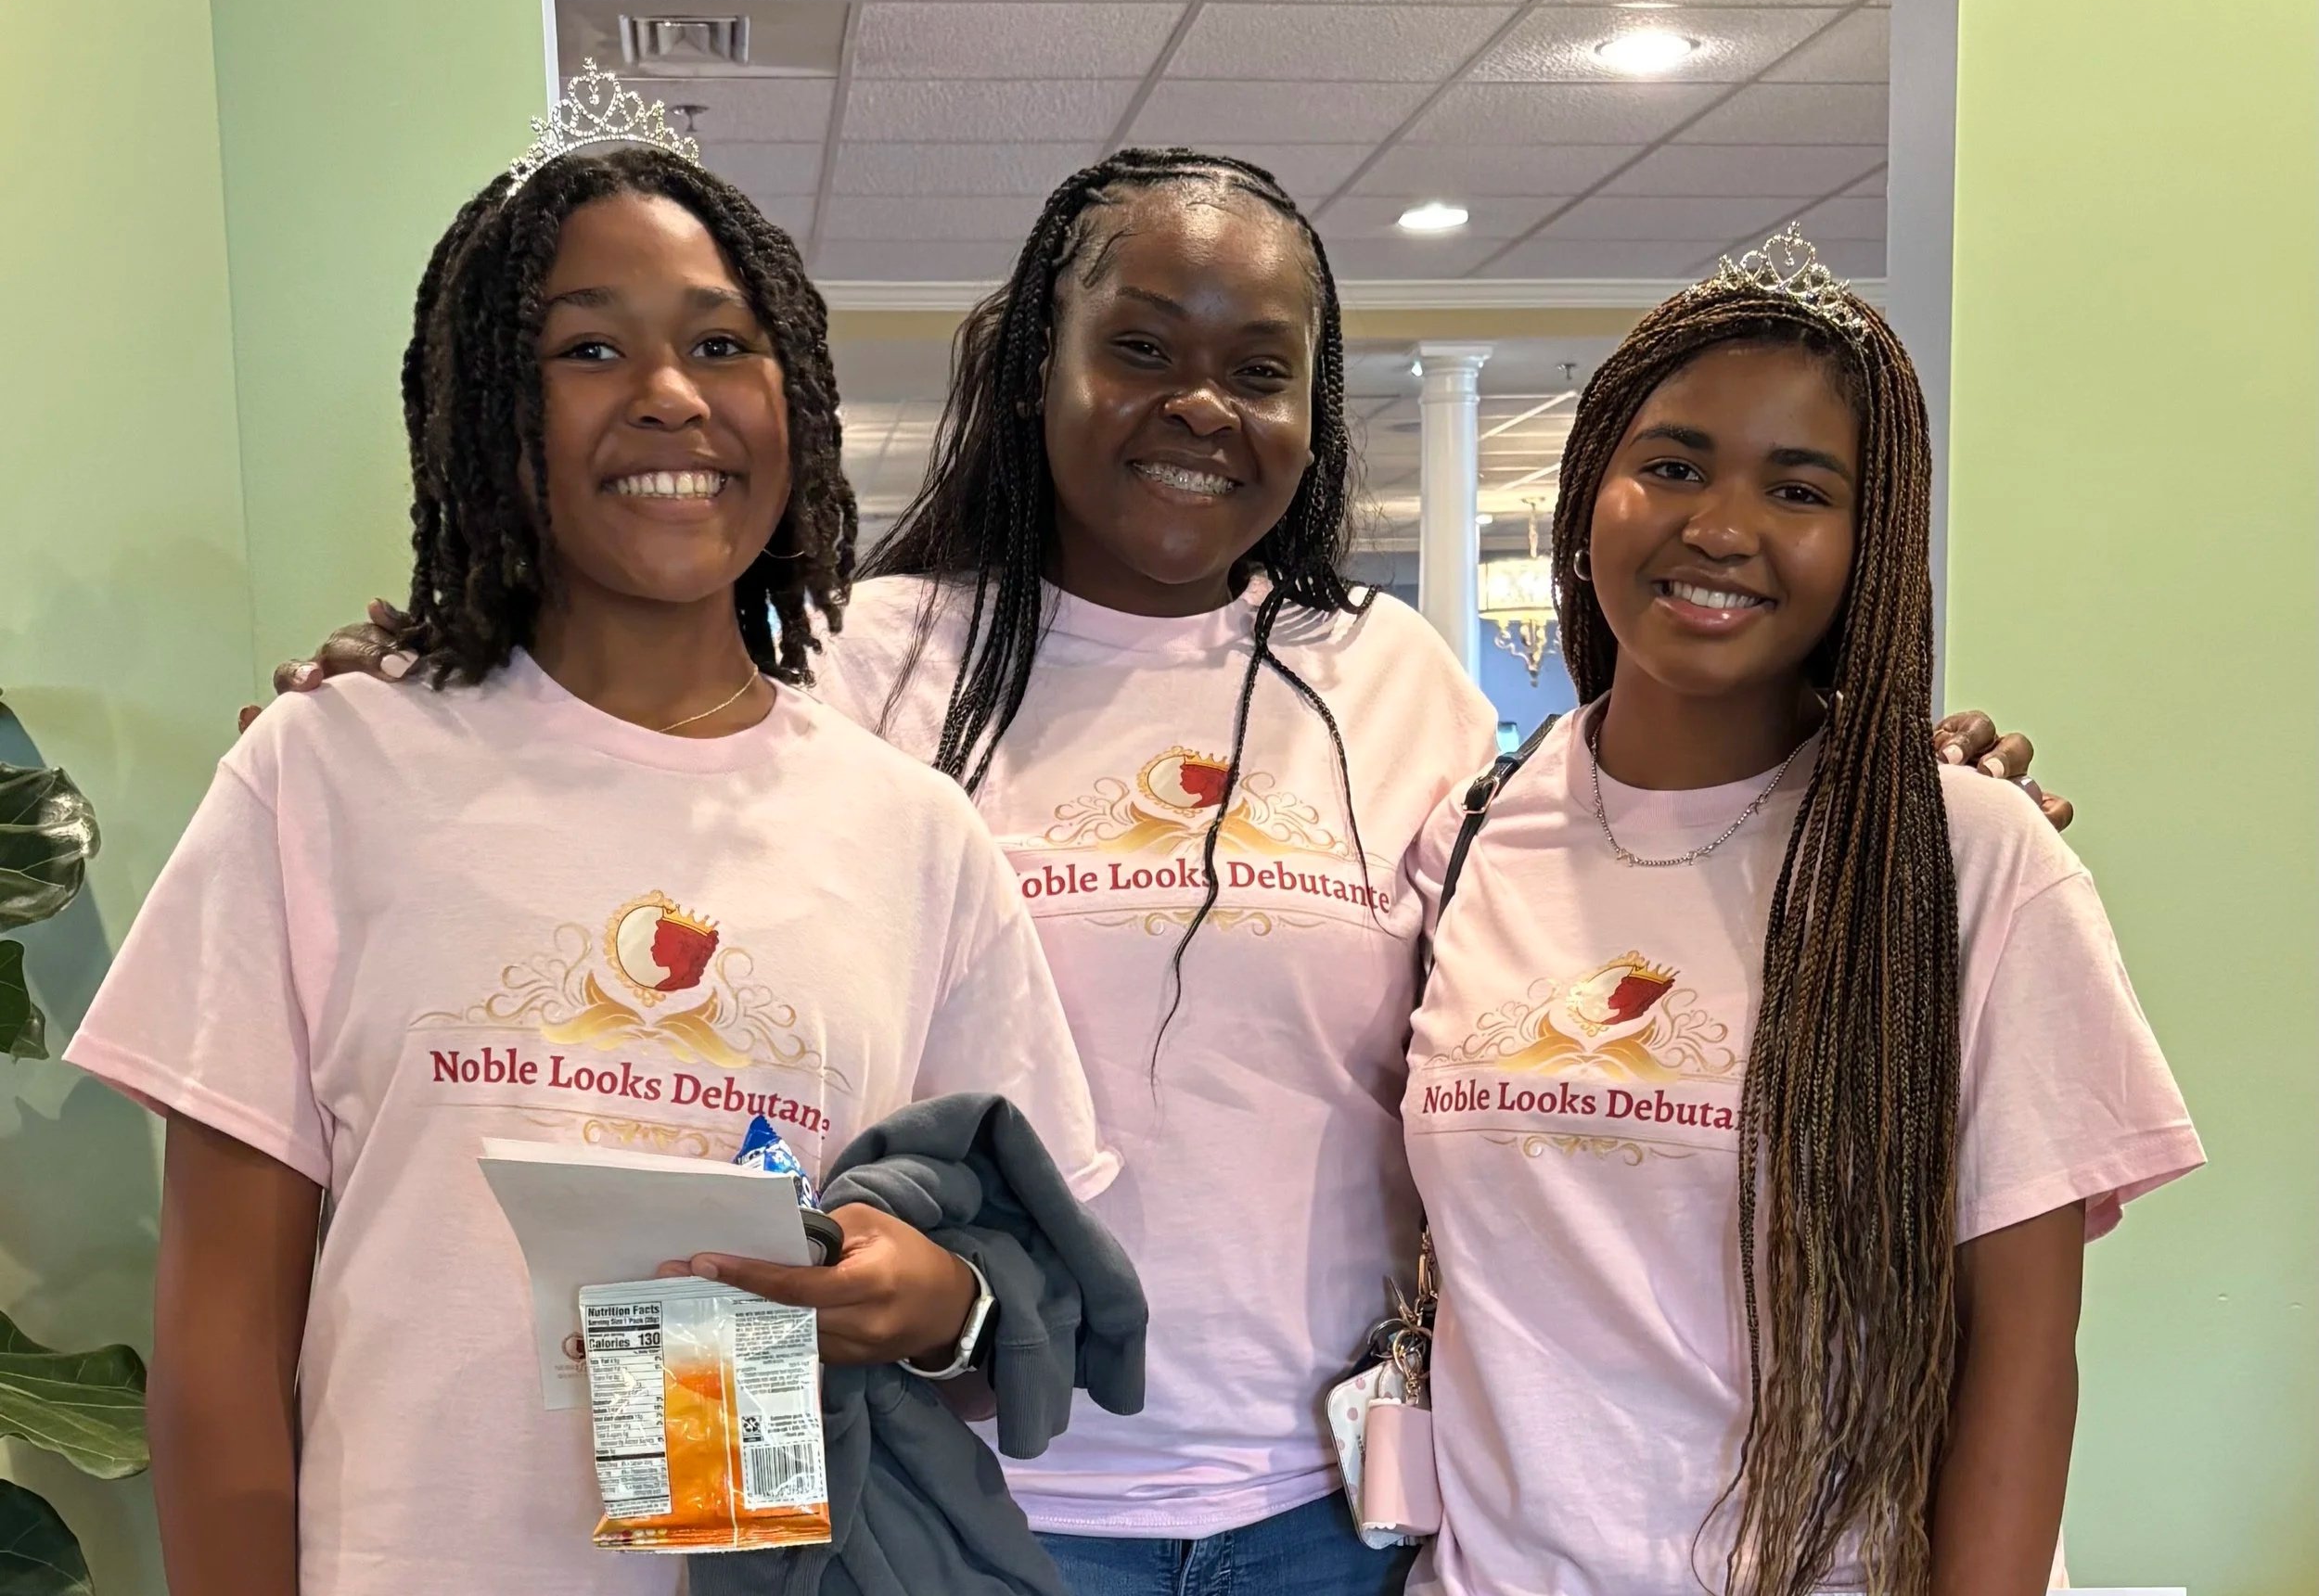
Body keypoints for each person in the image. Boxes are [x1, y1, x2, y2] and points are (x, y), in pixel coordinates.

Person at [267, 154, 2057, 1596]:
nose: (1198, 404)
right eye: (1138, 348)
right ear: (1034, 361)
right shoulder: (860, 654)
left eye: (1260, 369)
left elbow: (1614, 884)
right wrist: (429, 692)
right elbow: (620, 779)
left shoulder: (1397, 685)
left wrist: (1894, 779)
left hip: (1333, 1519)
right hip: (958, 1496)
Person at [67, 83, 1113, 1596]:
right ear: (492, 406)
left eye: (720, 343)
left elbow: (1009, 1309)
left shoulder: (907, 833)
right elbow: (221, 1333)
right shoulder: (334, 771)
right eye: (587, 348)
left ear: (793, 402)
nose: (670, 395)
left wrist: (923, 1299)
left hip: (768, 1554)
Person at [1401, 234, 2202, 1596]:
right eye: (1673, 465)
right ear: (1589, 492)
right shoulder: (1469, 837)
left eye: (1799, 488)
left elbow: (2021, 1360)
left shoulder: (1964, 854)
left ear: (1868, 541)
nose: (1721, 526)